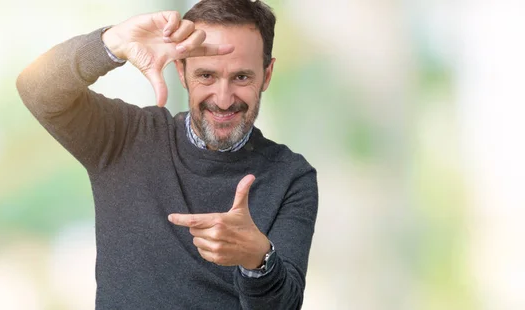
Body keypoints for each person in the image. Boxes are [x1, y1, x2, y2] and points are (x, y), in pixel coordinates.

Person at [16, 0, 318, 309]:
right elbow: (37, 89)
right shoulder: (125, 137)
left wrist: (257, 259)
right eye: (207, 76)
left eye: (241, 77)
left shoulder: (291, 177)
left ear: (266, 76)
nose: (224, 99)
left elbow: (285, 304)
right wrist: (111, 43)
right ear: (182, 70)